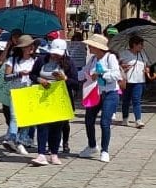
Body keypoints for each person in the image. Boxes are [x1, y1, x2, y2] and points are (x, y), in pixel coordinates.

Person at [29, 40, 76, 166]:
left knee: (57, 127)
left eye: (58, 54)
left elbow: (76, 83)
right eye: (54, 53)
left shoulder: (68, 63)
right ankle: (41, 154)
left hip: (60, 98)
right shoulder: (41, 60)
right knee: (42, 126)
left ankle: (54, 154)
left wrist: (64, 79)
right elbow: (32, 75)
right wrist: (40, 79)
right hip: (43, 97)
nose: (55, 56)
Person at [79, 34, 121, 163]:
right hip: (95, 93)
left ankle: (105, 150)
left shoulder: (110, 57)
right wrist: (69, 74)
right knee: (88, 120)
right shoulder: (92, 59)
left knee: (104, 122)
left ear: (98, 47)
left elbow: (116, 74)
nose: (89, 48)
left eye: (90, 46)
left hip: (110, 94)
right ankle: (92, 146)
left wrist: (102, 74)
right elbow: (83, 73)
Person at [1, 35, 40, 156]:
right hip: (16, 92)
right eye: (29, 46)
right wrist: (19, 74)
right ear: (23, 48)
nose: (31, 48)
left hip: (31, 91)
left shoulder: (37, 61)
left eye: (32, 46)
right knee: (15, 117)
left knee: (29, 119)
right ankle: (12, 139)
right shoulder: (12, 60)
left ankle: (21, 141)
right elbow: (6, 77)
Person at [119, 35, 150, 127]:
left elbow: (146, 65)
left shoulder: (142, 54)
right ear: (134, 44)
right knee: (126, 101)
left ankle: (138, 120)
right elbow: (117, 65)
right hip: (127, 81)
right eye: (140, 44)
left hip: (139, 81)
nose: (142, 46)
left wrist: (147, 70)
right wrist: (123, 67)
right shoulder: (124, 53)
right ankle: (125, 118)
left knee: (136, 100)